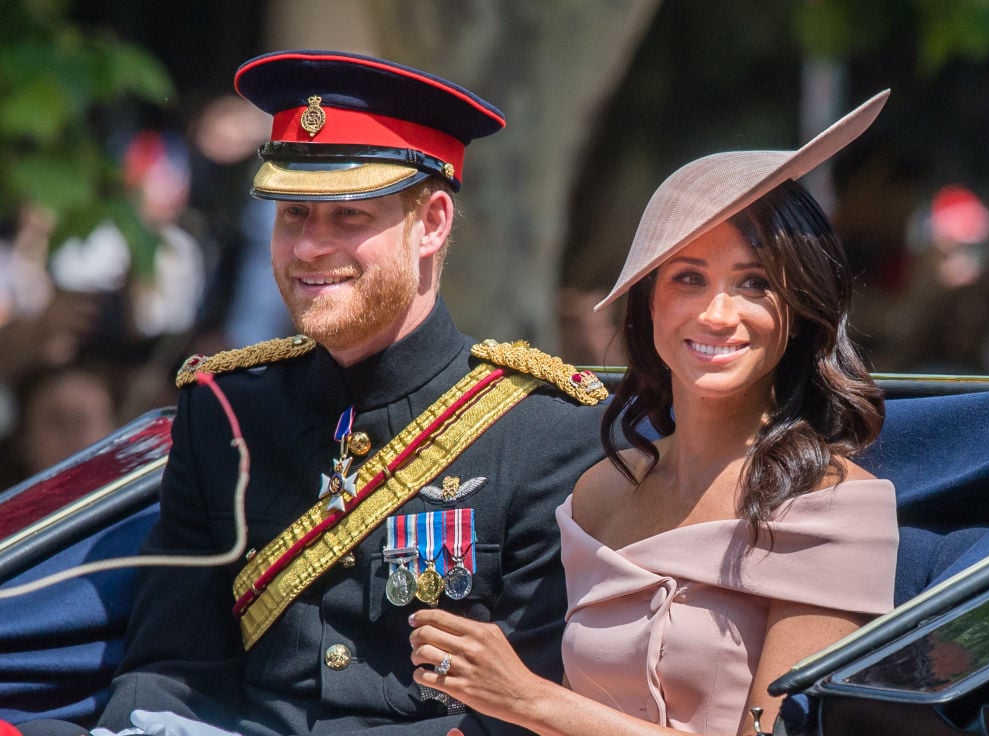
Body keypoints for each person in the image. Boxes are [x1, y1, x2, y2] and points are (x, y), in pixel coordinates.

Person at [17, 51, 611, 736]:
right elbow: (170, 670)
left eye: (348, 218)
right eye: (293, 215)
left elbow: (525, 715)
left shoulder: (545, 431)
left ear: (435, 222)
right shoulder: (226, 409)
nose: (308, 248)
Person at [408, 91, 900, 736]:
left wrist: (528, 700)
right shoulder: (600, 492)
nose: (716, 314)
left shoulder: (834, 507)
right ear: (648, 305)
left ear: (801, 310)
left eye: (755, 283)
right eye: (688, 278)